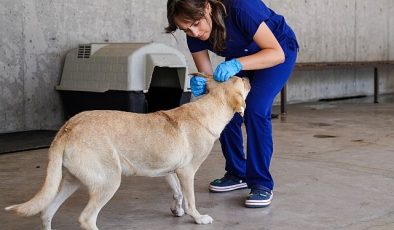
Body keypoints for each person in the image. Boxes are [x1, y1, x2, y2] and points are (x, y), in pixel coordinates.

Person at [165, 0, 298, 208]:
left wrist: (236, 64)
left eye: (196, 23)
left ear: (207, 7)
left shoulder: (241, 7)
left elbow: (276, 53)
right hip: (242, 55)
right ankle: (237, 172)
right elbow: (208, 77)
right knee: (221, 104)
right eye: (186, 29)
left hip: (277, 50)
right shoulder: (194, 34)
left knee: (255, 109)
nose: (195, 33)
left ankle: (261, 182)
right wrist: (203, 82)